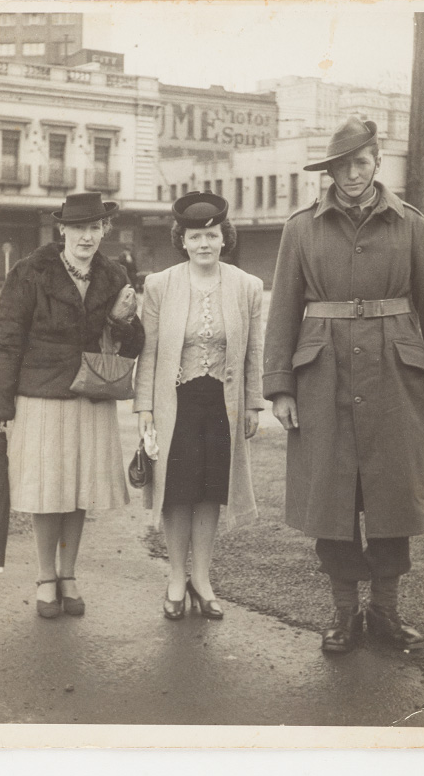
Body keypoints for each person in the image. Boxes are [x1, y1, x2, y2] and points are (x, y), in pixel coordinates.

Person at [263, 117, 424, 653]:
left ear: (377, 163)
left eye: (361, 163)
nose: (353, 174)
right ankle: (343, 615)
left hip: (396, 375)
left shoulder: (411, 223)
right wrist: (281, 387)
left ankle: (385, 612)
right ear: (330, 171)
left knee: (393, 494)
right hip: (323, 376)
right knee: (332, 497)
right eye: (342, 165)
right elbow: (283, 310)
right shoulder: (301, 227)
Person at [0, 192, 144, 619]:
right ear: (62, 230)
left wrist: (122, 320)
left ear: (104, 231)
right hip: (41, 396)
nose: (87, 237)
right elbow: (6, 341)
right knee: (48, 491)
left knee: (78, 490)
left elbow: (134, 345)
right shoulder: (30, 272)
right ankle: (45, 577)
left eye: (95, 228)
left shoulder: (113, 276)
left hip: (90, 395)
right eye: (79, 228)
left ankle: (69, 574)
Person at [134, 191, 264, 620]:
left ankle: (202, 580)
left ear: (224, 238)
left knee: (210, 492)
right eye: (195, 236)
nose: (204, 244)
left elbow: (253, 353)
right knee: (176, 492)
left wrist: (252, 405)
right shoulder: (159, 285)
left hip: (222, 404)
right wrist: (145, 409)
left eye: (211, 235)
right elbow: (148, 353)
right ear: (183, 240)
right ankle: (175, 578)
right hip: (177, 403)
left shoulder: (247, 287)